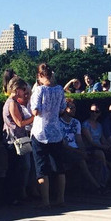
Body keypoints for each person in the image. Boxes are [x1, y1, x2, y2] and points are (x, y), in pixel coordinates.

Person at [32, 63, 69, 207]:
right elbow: (62, 109)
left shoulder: (40, 90)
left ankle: (45, 202)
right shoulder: (59, 89)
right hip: (56, 131)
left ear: (40, 75)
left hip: (40, 132)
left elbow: (35, 111)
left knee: (42, 169)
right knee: (59, 167)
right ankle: (61, 198)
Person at [60, 99, 107, 191]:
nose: (74, 110)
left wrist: (83, 150)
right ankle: (97, 186)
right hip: (67, 151)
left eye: (75, 108)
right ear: (64, 109)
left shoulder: (76, 122)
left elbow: (79, 140)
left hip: (78, 150)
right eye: (71, 108)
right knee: (81, 160)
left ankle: (103, 182)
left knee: (99, 155)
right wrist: (79, 152)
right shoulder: (58, 123)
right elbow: (64, 144)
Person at [2, 77, 35, 203]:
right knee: (18, 168)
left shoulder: (11, 102)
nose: (25, 92)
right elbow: (19, 123)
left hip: (13, 138)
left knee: (17, 168)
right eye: (23, 89)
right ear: (17, 89)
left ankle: (15, 195)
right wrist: (34, 117)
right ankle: (15, 195)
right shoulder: (12, 103)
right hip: (15, 140)